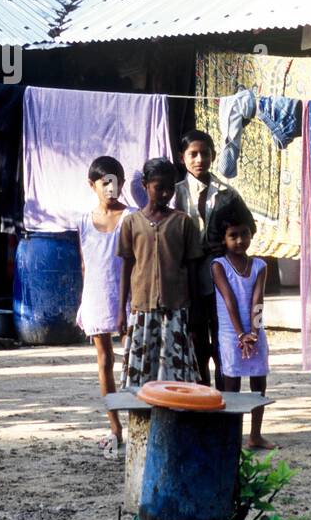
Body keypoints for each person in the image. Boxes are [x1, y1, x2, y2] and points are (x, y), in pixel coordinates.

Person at [173, 129, 251, 386]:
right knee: (195, 338)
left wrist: (225, 247)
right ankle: (202, 394)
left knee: (222, 337)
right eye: (193, 154)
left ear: (213, 156)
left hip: (221, 278)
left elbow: (248, 228)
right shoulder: (175, 195)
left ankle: (225, 394)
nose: (199, 160)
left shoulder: (227, 194)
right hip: (187, 279)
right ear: (182, 157)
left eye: (204, 154)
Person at [117, 158, 201, 387]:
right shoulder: (131, 223)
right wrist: (121, 311)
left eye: (170, 188)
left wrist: (193, 312)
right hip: (142, 307)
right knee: (143, 374)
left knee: (174, 374)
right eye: (159, 187)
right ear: (145, 185)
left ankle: (174, 420)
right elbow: (126, 266)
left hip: (175, 307)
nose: (165, 193)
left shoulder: (183, 222)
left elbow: (192, 268)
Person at [210, 201, 275, 450]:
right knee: (232, 385)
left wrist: (254, 332)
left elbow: (258, 300)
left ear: (252, 233)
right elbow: (229, 300)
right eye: (233, 236)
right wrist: (241, 334)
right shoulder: (219, 266)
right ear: (224, 238)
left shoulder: (260, 266)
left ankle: (255, 435)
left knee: (259, 381)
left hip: (255, 333)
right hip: (231, 334)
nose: (239, 240)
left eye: (244, 234)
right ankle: (232, 436)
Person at [76, 156, 131, 449]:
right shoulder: (84, 221)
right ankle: (114, 426)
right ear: (92, 185)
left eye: (115, 181)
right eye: (104, 182)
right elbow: (86, 263)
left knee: (133, 360)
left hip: (128, 297)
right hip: (97, 294)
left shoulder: (131, 217)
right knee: (105, 361)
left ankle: (138, 422)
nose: (111, 187)